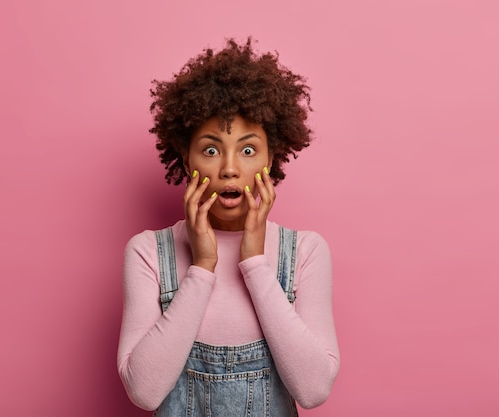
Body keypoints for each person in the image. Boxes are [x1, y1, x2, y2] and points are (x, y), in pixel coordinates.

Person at [117, 38, 339, 416]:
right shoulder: (148, 251)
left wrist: (254, 261)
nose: (230, 168)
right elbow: (144, 392)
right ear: (186, 159)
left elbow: (314, 389)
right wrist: (202, 267)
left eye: (248, 150)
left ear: (273, 156)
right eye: (211, 149)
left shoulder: (305, 251)